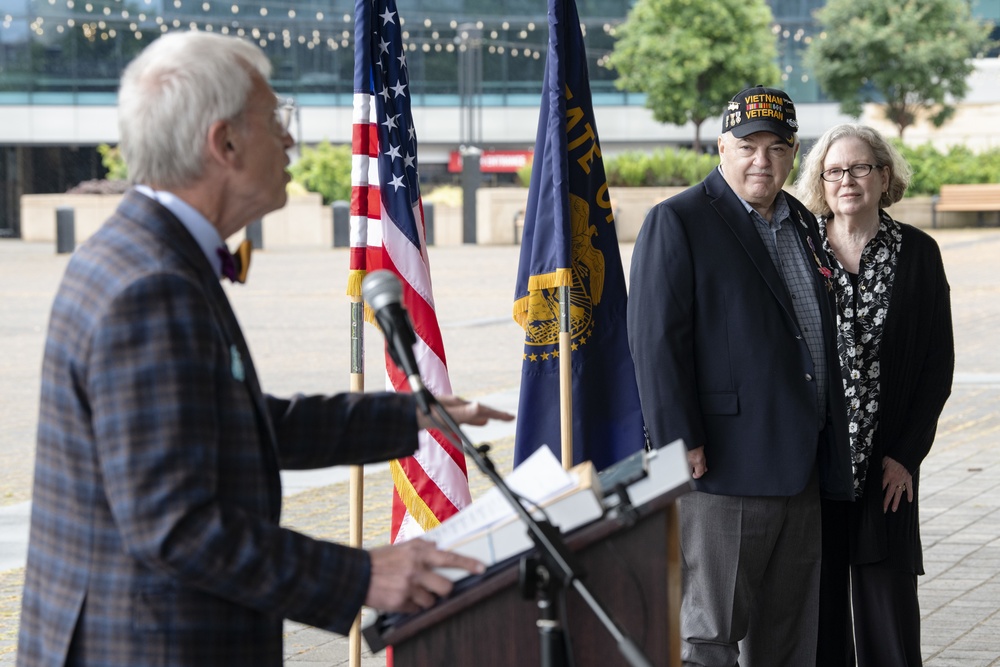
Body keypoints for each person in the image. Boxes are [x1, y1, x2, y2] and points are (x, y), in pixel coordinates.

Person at [17, 31, 513, 667]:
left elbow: (235, 427)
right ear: (223, 143)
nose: (289, 141)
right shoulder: (151, 285)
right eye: (275, 120)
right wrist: (363, 576)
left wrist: (411, 417)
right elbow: (177, 527)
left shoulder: (150, 253)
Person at [627, 85, 853, 666]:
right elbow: (656, 342)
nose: (762, 161)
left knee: (789, 632)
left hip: (802, 460)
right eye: (749, 146)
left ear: (792, 154)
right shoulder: (677, 221)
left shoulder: (802, 221)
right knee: (710, 629)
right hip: (723, 466)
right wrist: (681, 441)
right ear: (722, 148)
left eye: (777, 148)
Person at [795, 124, 954, 667]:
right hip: (814, 466)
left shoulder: (919, 254)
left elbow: (937, 366)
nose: (847, 180)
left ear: (884, 176)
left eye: (860, 167)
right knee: (820, 619)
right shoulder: (798, 247)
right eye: (834, 170)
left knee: (889, 619)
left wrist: (906, 456)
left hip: (888, 466)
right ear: (821, 180)